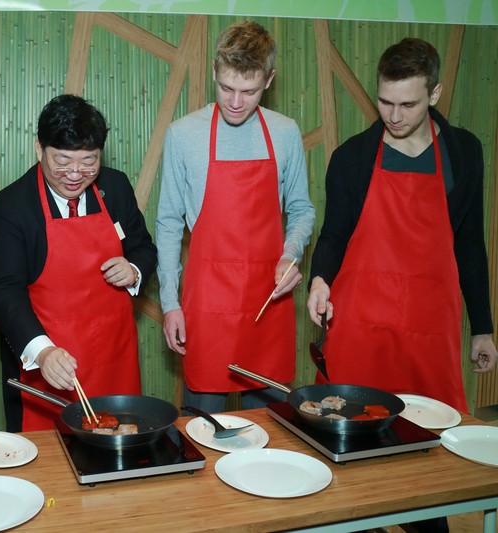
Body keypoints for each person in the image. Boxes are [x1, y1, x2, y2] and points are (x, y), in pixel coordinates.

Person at [307, 37, 497, 414]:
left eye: (408, 104)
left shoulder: (464, 152)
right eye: (385, 102)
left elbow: (470, 243)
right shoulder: (353, 156)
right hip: (360, 321)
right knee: (349, 421)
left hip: (429, 323)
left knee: (433, 430)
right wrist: (319, 279)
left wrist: (482, 328)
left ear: (435, 93)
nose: (394, 117)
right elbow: (334, 234)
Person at [156, 21, 315, 412]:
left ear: (270, 79)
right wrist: (170, 302)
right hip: (206, 304)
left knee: (275, 428)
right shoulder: (183, 134)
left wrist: (291, 254)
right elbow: (168, 223)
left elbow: (301, 209)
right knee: (203, 425)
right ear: (214, 71)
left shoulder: (285, 132)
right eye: (227, 87)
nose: (236, 103)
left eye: (250, 91)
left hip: (268, 302)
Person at [0, 94, 157, 432]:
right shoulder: (11, 207)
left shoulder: (115, 186)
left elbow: (143, 248)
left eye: (89, 161)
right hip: (48, 359)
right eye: (62, 160)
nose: (76, 174)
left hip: (113, 357)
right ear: (39, 150)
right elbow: (4, 291)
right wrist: (43, 353)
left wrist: (133, 269)